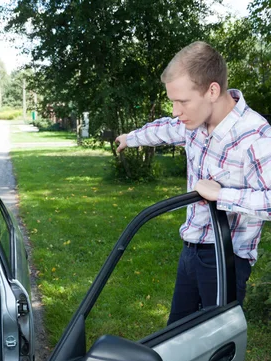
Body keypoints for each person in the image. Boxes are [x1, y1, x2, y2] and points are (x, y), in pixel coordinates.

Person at [115, 41, 271, 324]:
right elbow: (165, 128)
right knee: (175, 336)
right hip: (191, 248)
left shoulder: (255, 137)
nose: (176, 111)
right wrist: (131, 138)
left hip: (227, 259)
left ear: (212, 91)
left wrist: (222, 195)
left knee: (216, 349)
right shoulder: (194, 123)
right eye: (172, 102)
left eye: (182, 101)